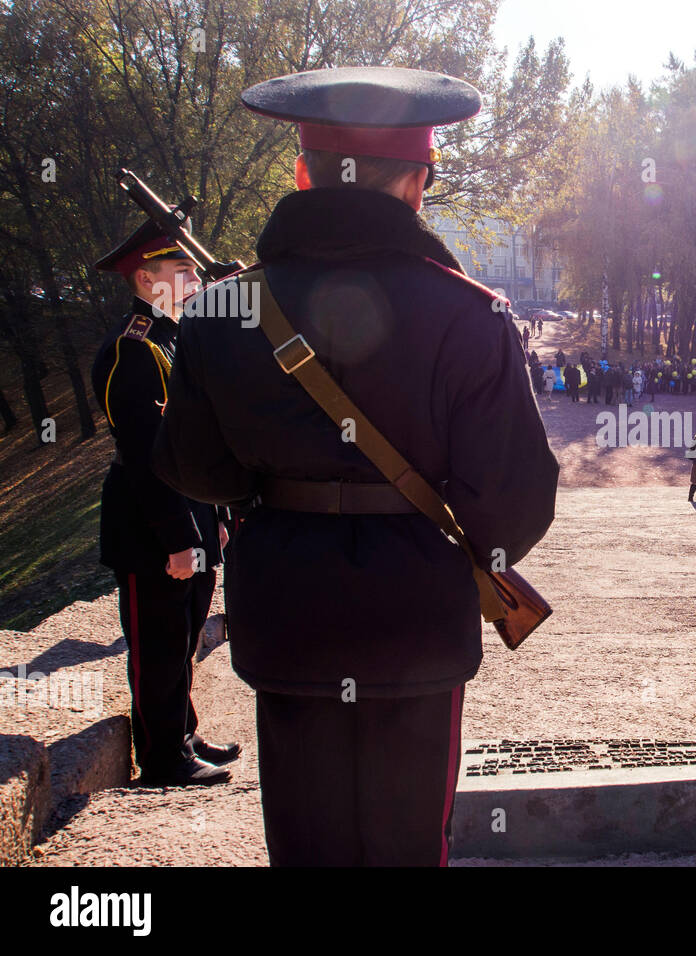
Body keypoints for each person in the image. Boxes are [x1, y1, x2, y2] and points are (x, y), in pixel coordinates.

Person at [150, 66, 559, 865]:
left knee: (306, 844)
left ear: (302, 173)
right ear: (417, 184)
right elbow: (514, 499)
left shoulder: (219, 311)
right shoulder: (471, 314)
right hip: (416, 614)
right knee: (409, 845)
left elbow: (193, 466)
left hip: (288, 607)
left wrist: (274, 495)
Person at [90, 218, 237, 787]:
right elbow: (148, 454)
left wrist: (216, 517)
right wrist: (179, 538)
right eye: (183, 270)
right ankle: (161, 757)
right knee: (158, 638)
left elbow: (196, 439)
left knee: (185, 631)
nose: (196, 277)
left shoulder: (173, 338)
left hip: (192, 511)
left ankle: (182, 731)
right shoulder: (134, 350)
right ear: (147, 278)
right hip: (152, 523)